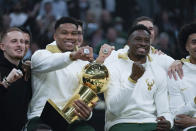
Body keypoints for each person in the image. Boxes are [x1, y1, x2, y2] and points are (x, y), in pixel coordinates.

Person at [27, 17, 95, 131]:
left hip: (72, 119)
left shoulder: (84, 65)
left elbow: (86, 96)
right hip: (41, 118)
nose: (69, 37)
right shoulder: (41, 55)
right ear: (55, 36)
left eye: (74, 34)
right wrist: (73, 56)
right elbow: (54, 61)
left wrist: (88, 114)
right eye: (64, 33)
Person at [103, 24, 172, 131]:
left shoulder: (158, 70)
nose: (143, 43)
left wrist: (168, 122)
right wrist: (132, 80)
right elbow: (114, 109)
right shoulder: (113, 67)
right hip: (121, 122)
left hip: (151, 122)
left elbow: (164, 110)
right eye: (138, 39)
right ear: (128, 43)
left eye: (146, 40)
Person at [96, 16, 183, 80]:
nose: (147, 32)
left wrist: (178, 62)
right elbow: (96, 79)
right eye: (142, 28)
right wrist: (100, 61)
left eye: (150, 29)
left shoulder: (163, 58)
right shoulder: (116, 55)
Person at [0, 27, 32, 131]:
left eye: (22, 42)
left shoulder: (26, 71)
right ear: (2, 46)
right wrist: (6, 82)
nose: (20, 45)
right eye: (14, 41)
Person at [168, 22, 196, 131]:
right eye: (194, 42)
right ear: (186, 46)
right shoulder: (176, 72)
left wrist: (194, 121)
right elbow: (177, 116)